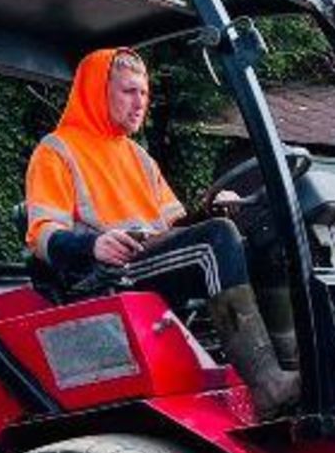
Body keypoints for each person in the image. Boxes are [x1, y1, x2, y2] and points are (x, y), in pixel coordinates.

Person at [23, 47, 299, 419]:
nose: (141, 103)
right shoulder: (57, 151)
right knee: (214, 242)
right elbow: (41, 235)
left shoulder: (139, 157)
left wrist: (214, 208)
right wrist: (93, 245)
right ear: (97, 91)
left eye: (144, 93)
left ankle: (294, 366)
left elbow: (176, 224)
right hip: (106, 272)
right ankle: (267, 384)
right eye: (129, 92)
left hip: (151, 258)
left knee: (265, 240)